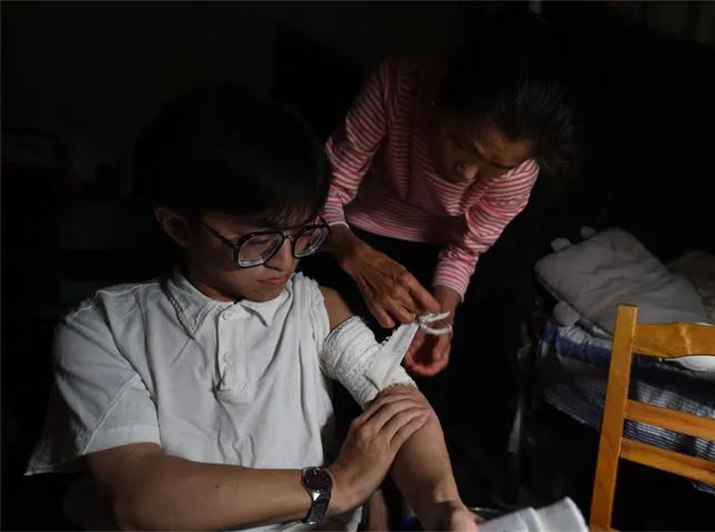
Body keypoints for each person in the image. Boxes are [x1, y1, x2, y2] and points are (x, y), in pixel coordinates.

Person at [25, 84, 477, 532]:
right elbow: (141, 497)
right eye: (258, 240)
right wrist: (336, 486)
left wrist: (443, 504)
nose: (286, 260)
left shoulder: (316, 307)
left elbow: (400, 405)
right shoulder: (103, 329)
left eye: (303, 233)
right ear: (179, 226)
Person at [306, 24, 575, 386]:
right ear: (440, 101)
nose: (467, 174)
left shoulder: (519, 168)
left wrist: (441, 319)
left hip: (440, 246)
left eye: (495, 168)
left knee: (467, 362)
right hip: (352, 225)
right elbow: (327, 191)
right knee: (323, 339)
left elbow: (465, 248)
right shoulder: (396, 86)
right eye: (462, 145)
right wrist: (350, 249)